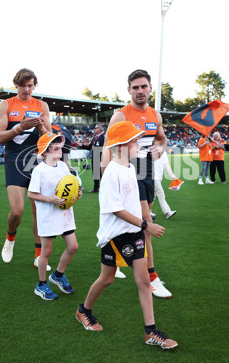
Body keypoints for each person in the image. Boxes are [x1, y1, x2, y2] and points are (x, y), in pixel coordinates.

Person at [75, 121, 177, 350]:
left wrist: (144, 221)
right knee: (107, 278)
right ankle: (83, 311)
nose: (138, 145)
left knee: (143, 281)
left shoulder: (130, 167)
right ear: (121, 144)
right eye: (134, 141)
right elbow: (115, 209)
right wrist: (145, 224)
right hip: (116, 236)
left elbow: (133, 201)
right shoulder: (112, 171)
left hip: (134, 233)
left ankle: (151, 331)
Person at [101, 69, 172, 299]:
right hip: (128, 171)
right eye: (135, 87)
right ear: (129, 90)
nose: (140, 91)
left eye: (144, 86)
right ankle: (152, 277)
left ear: (150, 88)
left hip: (147, 170)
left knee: (136, 220)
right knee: (146, 223)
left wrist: (160, 147)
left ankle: (114, 259)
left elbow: (161, 138)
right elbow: (106, 146)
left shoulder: (155, 115)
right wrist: (104, 177)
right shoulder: (121, 116)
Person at [0, 68, 52, 270]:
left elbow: (49, 138)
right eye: (23, 86)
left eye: (30, 86)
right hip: (13, 159)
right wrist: (20, 127)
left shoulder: (42, 105)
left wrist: (40, 128)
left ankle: (39, 255)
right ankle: (10, 238)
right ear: (17, 85)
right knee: (16, 211)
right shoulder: (6, 104)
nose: (26, 90)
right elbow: (0, 137)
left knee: (39, 212)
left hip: (36, 160)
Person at [28, 133, 81, 300]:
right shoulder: (39, 170)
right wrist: (51, 199)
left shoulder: (63, 166)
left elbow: (70, 186)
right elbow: (31, 194)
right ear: (45, 152)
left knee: (73, 247)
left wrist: (76, 193)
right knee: (46, 251)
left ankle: (58, 275)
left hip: (65, 214)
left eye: (60, 148)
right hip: (48, 216)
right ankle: (41, 284)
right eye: (55, 149)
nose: (60, 151)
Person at [153, 150, 179, 219]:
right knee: (161, 194)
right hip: (153, 177)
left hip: (158, 177)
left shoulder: (163, 153)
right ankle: (167, 212)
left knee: (153, 196)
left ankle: (146, 211)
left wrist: (172, 176)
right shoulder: (152, 151)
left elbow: (166, 165)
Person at [80, 124, 105, 192]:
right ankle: (96, 188)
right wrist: (82, 146)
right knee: (95, 173)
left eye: (95, 128)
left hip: (101, 157)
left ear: (99, 129)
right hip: (94, 156)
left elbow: (104, 148)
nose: (94, 129)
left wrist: (96, 148)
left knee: (101, 173)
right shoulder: (94, 138)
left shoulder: (103, 137)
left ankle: (104, 188)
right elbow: (90, 147)